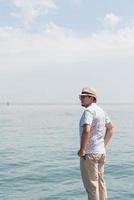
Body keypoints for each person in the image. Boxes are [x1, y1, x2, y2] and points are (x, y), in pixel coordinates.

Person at [78, 86, 113, 200]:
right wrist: (103, 145)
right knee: (100, 183)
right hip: (101, 153)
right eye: (80, 96)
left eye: (83, 97)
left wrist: (82, 149)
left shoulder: (89, 111)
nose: (81, 99)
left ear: (92, 98)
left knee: (92, 186)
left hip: (90, 154)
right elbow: (111, 128)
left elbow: (86, 130)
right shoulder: (101, 111)